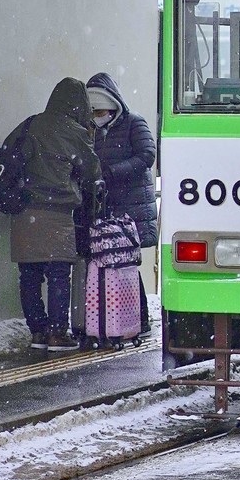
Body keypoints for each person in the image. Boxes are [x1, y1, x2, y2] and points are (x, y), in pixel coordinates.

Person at [11, 78, 103, 351]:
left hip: (23, 211)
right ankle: (58, 333)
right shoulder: (73, 131)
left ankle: (38, 331)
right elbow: (92, 172)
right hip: (57, 212)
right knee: (59, 273)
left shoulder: (31, 124)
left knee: (28, 274)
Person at [85, 72, 157, 335]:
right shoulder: (91, 130)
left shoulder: (133, 123)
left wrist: (114, 171)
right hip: (108, 207)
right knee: (112, 261)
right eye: (94, 111)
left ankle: (140, 318)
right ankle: (118, 319)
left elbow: (147, 155)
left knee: (126, 262)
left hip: (131, 204)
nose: (98, 115)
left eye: (101, 110)